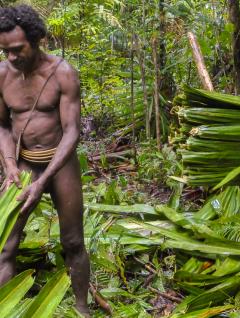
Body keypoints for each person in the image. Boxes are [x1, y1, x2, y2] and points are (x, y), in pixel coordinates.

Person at [0, 5, 90, 316]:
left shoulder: (62, 73)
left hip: (60, 164)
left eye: (17, 49)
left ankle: (81, 307)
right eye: (5, 51)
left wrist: (42, 182)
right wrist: (11, 166)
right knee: (5, 243)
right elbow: (2, 125)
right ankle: (5, 308)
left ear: (36, 39)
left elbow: (71, 132)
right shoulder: (2, 75)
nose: (12, 57)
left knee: (73, 241)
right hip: (23, 165)